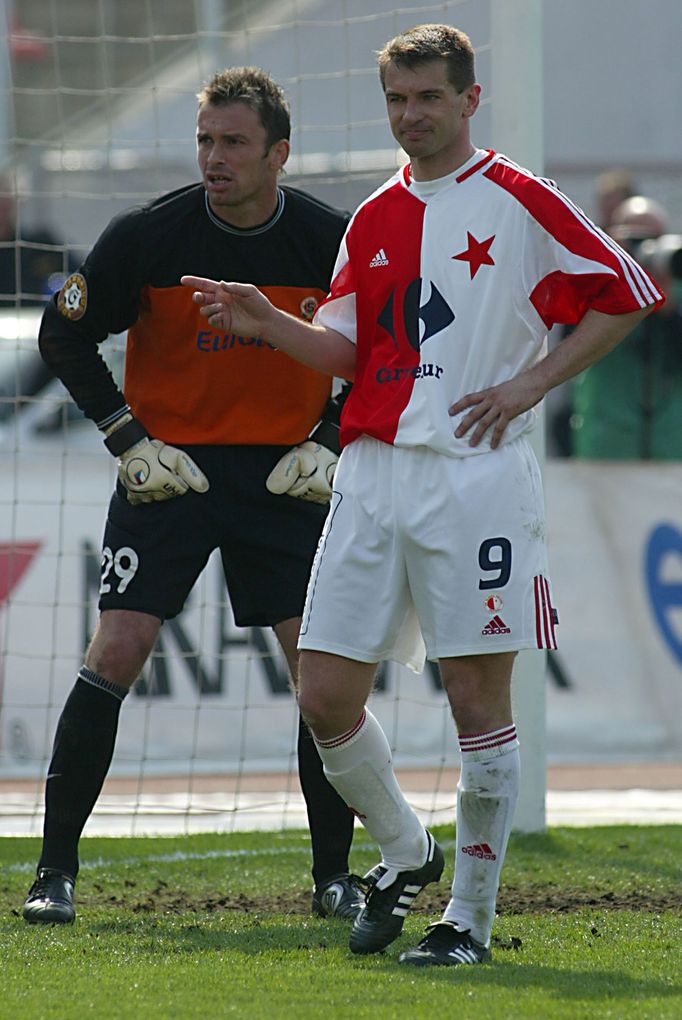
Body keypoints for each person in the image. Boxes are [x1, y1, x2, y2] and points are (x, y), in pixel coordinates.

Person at [183, 24, 662, 966]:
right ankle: (407, 850)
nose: (411, 116)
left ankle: (468, 923)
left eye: (428, 98)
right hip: (371, 470)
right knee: (323, 693)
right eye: (398, 100)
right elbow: (352, 353)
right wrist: (266, 321)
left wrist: (528, 386)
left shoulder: (520, 198)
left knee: (475, 697)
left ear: (468, 100)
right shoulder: (373, 218)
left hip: (475, 475)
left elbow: (631, 291)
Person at [21, 67, 363, 925]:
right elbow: (62, 331)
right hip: (169, 474)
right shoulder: (147, 235)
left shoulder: (333, 239)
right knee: (117, 652)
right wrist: (127, 436)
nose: (215, 158)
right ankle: (52, 874)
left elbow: (385, 348)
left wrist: (330, 440)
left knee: (316, 677)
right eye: (205, 140)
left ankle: (333, 878)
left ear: (278, 153)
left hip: (283, 480)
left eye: (234, 143)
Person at [570, 195, 682, 457]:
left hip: (671, 446)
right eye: (636, 239)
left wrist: (669, 312)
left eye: (655, 239)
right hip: (607, 445)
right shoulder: (593, 280)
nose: (647, 249)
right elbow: (572, 339)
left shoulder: (677, 288)